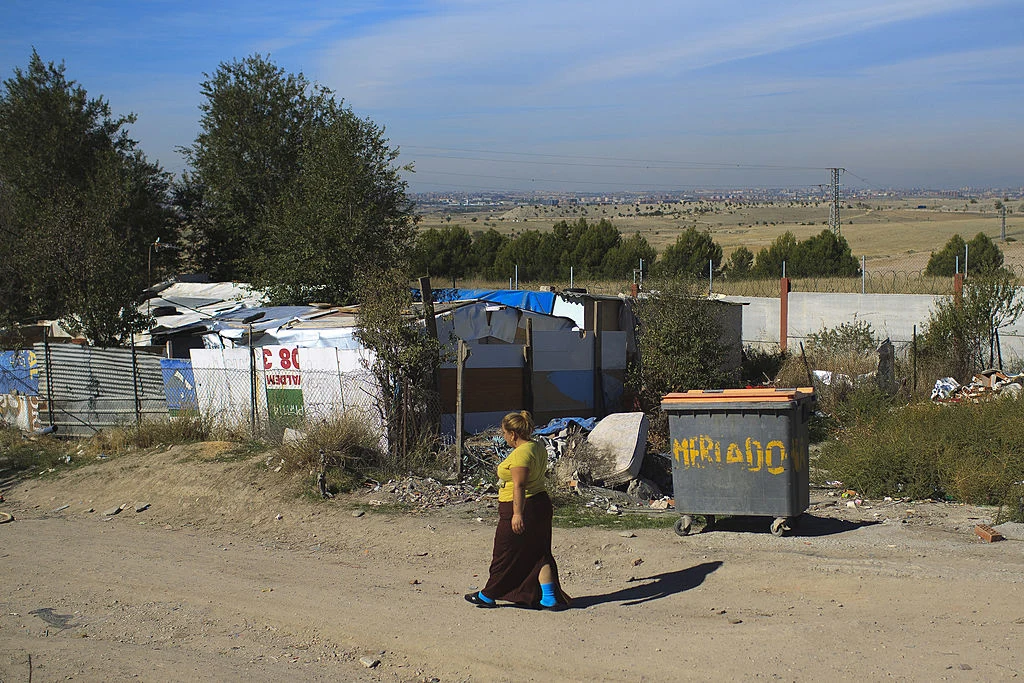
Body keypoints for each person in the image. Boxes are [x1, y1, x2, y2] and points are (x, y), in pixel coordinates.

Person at [465, 410, 570, 610]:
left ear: (513, 434)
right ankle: (548, 598)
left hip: (523, 506)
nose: (504, 437)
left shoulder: (521, 453)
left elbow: (519, 486)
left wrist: (517, 514)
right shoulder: (537, 446)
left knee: (504, 553)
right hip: (540, 503)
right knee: (539, 552)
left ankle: (488, 595)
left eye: (505, 433)